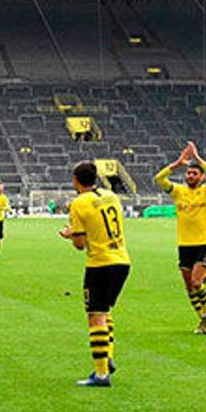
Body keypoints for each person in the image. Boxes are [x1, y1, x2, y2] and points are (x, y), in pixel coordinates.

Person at [58, 161, 131, 388]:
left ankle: (101, 375)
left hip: (100, 263)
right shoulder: (111, 196)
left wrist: (70, 235)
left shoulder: (78, 203)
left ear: (75, 180)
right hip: (122, 260)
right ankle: (106, 355)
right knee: (105, 312)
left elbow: (80, 244)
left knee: (96, 315)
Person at [154, 142, 206, 335]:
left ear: (201, 177)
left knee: (197, 282)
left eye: (194, 173)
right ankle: (203, 317)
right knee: (189, 287)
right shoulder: (178, 192)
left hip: (203, 243)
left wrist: (198, 159)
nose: (190, 176)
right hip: (184, 245)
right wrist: (177, 164)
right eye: (189, 173)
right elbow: (159, 178)